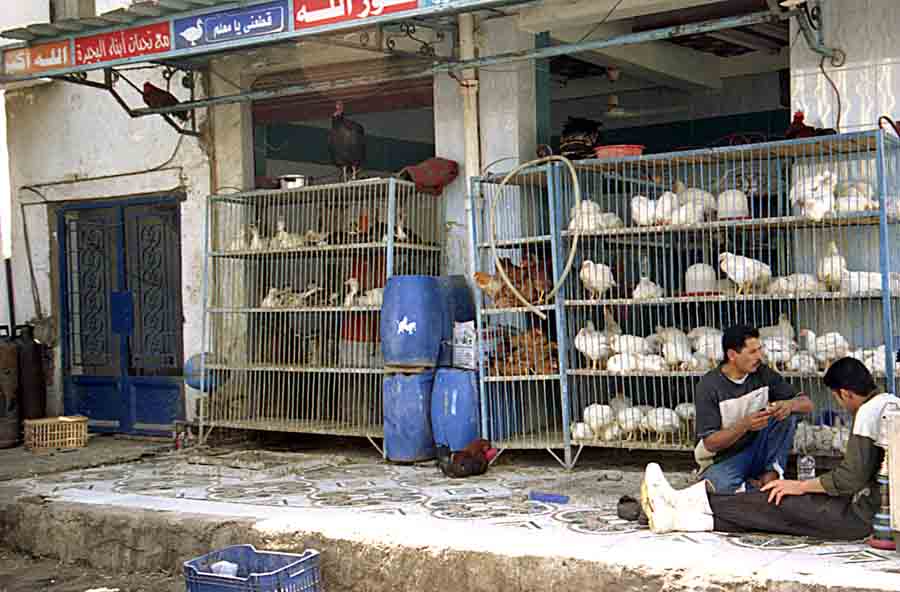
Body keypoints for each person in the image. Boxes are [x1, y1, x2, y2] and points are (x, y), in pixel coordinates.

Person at [641, 357, 900, 540]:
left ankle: (680, 504)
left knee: (778, 502)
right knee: (770, 512)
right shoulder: (890, 402)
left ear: (845, 393)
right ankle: (676, 516)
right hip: (869, 510)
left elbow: (849, 479)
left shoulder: (867, 412)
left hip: (860, 518)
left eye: (836, 398)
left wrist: (798, 486)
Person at [694, 324, 814, 493]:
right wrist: (744, 425)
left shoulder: (762, 373)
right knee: (719, 485)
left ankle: (771, 473)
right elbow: (710, 443)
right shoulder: (709, 386)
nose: (760, 356)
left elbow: (807, 404)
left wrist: (788, 405)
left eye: (760, 349)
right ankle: (756, 487)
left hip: (757, 449)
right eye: (752, 352)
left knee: (787, 415)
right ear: (732, 355)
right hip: (725, 458)